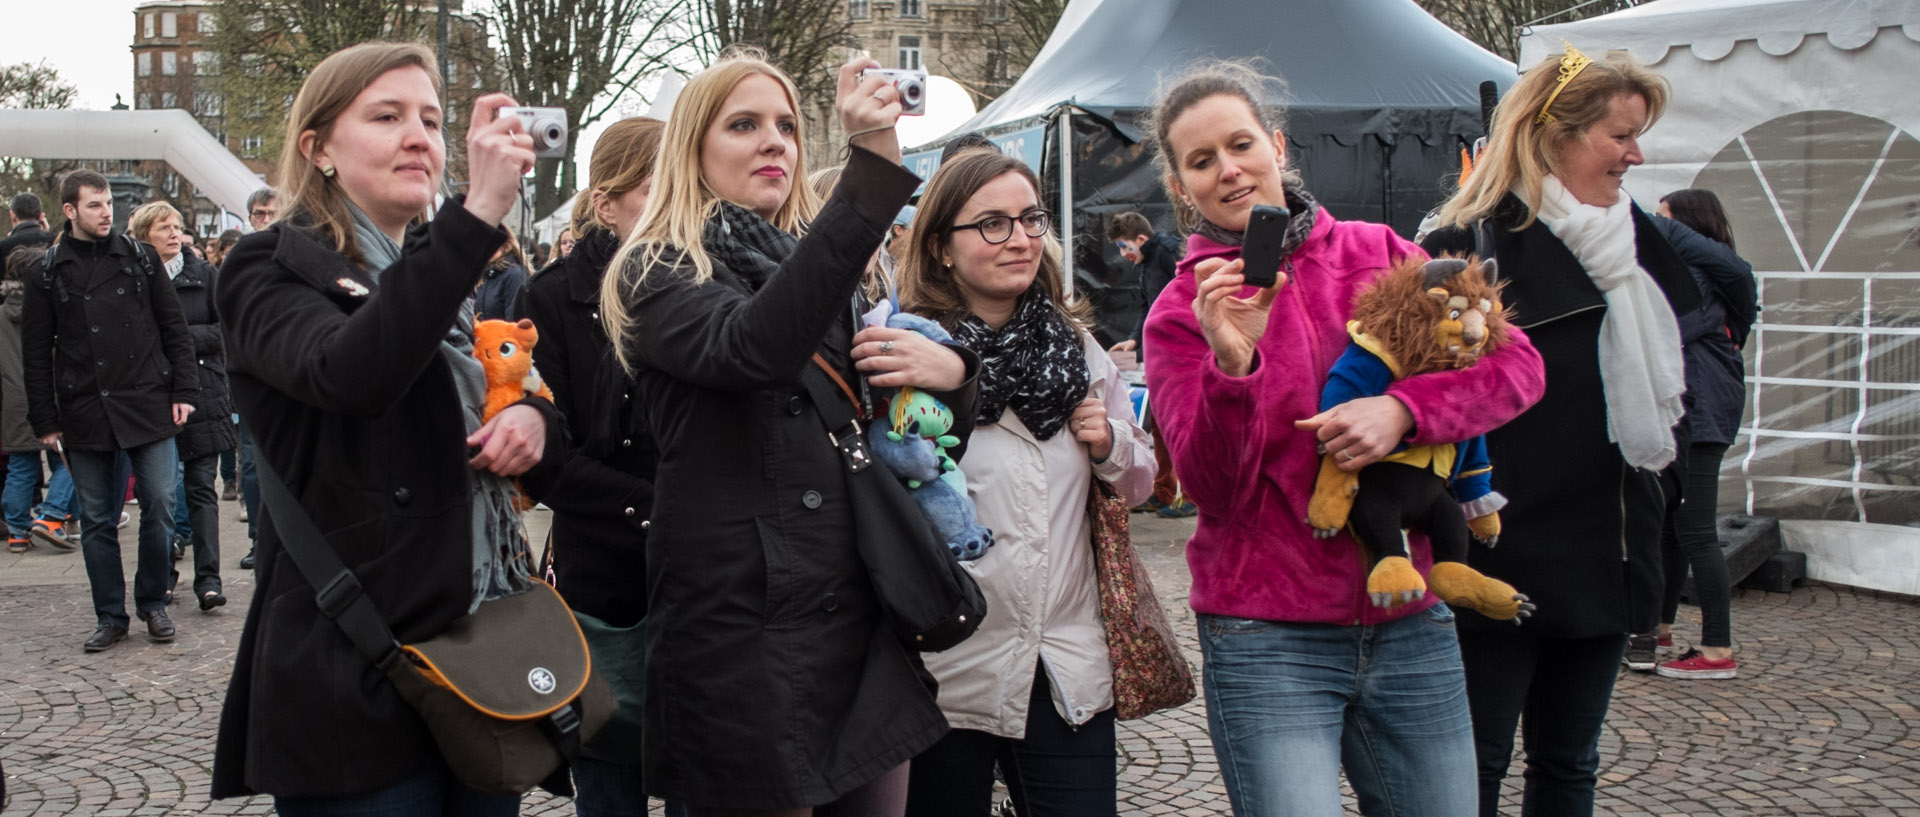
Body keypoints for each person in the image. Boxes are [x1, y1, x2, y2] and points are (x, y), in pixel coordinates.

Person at [1140, 61, 1546, 816]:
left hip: (1407, 617)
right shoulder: (1179, 312)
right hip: (1267, 633)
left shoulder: (1380, 253)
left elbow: (1518, 366)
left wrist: (1405, 411)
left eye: (1240, 144)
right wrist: (1233, 364)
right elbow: (1214, 490)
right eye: (1202, 162)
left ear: (1277, 144)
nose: (1228, 170)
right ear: (1181, 186)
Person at [601, 50, 969, 817]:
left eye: (788, 126)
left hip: (851, 614)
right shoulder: (656, 269)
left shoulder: (810, 262)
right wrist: (869, 172)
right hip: (741, 638)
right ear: (692, 150)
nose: (775, 141)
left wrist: (948, 372)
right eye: (744, 125)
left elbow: (886, 424)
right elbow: (756, 349)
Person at [210, 42, 559, 814]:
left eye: (432, 121)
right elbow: (353, 373)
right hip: (356, 672)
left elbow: (510, 393)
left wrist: (532, 416)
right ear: (319, 148)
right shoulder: (268, 266)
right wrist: (475, 218)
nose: (419, 137)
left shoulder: (439, 282)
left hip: (476, 654)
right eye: (387, 115)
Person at [1421, 47, 1696, 817]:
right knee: (1470, 766)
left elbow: (1726, 293)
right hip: (1497, 549)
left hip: (1607, 550)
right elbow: (1424, 407)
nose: (1636, 155)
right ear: (1553, 137)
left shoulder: (1634, 244)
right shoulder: (1465, 245)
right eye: (1620, 135)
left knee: (1570, 763)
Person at [897, 149, 1155, 817]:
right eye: (991, 223)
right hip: (943, 664)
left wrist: (1112, 445)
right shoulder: (907, 351)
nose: (1019, 238)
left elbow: (1142, 483)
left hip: (1062, 660)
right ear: (941, 249)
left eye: (1030, 218)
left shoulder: (1078, 349)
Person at [515, 114, 667, 816]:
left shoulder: (706, 284)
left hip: (702, 579)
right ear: (605, 203)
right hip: (604, 576)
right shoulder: (551, 297)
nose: (674, 199)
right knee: (610, 781)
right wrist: (659, 507)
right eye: (654, 185)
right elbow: (550, 462)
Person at [24, 169, 199, 653]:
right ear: (70, 211)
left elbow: (174, 329)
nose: (107, 213)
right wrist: (45, 420)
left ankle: (153, 602)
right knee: (98, 520)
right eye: (96, 205)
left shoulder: (139, 257)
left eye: (108, 204)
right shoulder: (47, 270)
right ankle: (110, 615)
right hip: (85, 407)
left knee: (161, 505)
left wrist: (185, 390)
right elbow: (36, 351)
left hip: (147, 400)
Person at [1649, 188, 1754, 680]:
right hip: (1696, 410)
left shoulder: (1706, 281)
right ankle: (1661, 629)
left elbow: (1670, 330)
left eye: (1667, 222)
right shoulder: (1709, 279)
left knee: (1695, 532)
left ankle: (1717, 651)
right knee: (1673, 528)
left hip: (1703, 413)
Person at [129, 200, 235, 612]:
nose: (174, 233)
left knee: (202, 491)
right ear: (143, 236)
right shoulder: (134, 278)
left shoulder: (205, 275)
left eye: (177, 226)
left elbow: (225, 330)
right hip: (153, 398)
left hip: (204, 394)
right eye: (163, 228)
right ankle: (162, 579)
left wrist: (177, 338)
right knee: (161, 495)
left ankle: (208, 580)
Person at [1104, 210, 1192, 518]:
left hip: (1183, 354)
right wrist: (1133, 339)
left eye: (1125, 247)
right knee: (1159, 423)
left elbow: (1187, 296)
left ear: (1141, 240)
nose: (1123, 255)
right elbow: (1147, 307)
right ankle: (1163, 490)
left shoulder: (1169, 253)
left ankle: (1190, 495)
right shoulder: (1145, 266)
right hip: (1161, 354)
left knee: (1181, 422)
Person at [2, 246, 77, 554]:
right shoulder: (54, 308)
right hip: (51, 393)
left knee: (21, 465)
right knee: (71, 458)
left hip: (13, 399)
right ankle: (53, 513)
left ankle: (17, 530)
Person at [474, 230, 529, 319]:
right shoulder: (483, 273)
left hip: (504, 332)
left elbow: (515, 319)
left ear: (506, 246)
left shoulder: (514, 275)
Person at [0, 193, 56, 260]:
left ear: (12, 215)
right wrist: (47, 233)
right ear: (41, 216)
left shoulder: (4, 247)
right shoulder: (55, 242)